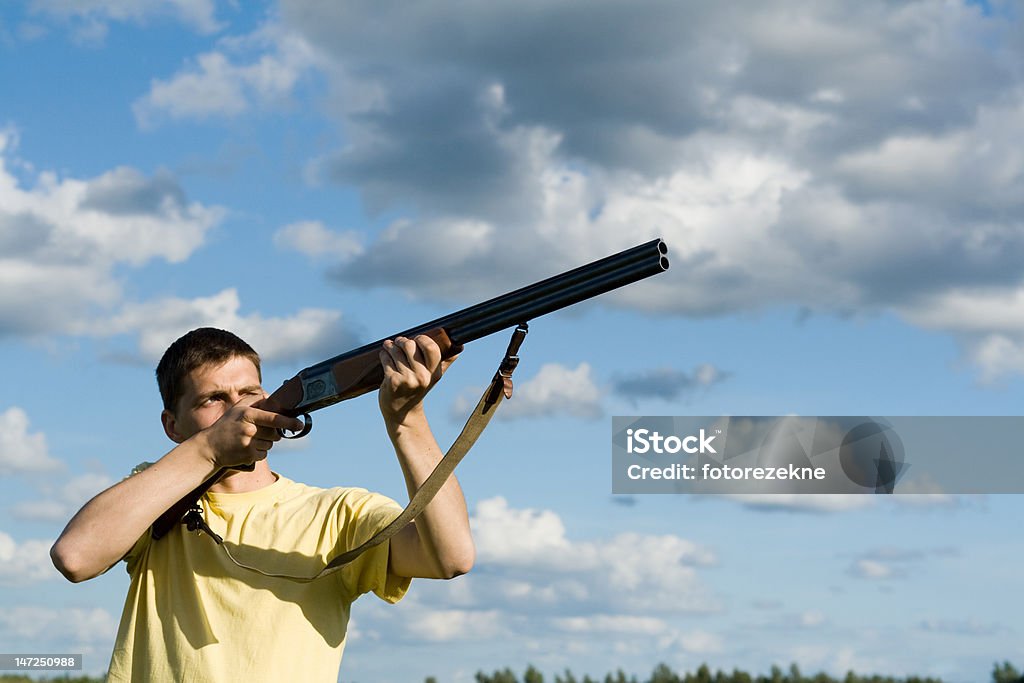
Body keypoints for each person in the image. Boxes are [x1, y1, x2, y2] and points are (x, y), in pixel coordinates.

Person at [50, 327, 474, 681]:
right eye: (212, 399)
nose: (238, 407)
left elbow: (451, 557)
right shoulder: (155, 495)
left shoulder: (336, 513)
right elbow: (75, 556)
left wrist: (407, 419)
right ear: (172, 425)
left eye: (249, 391)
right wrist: (210, 450)